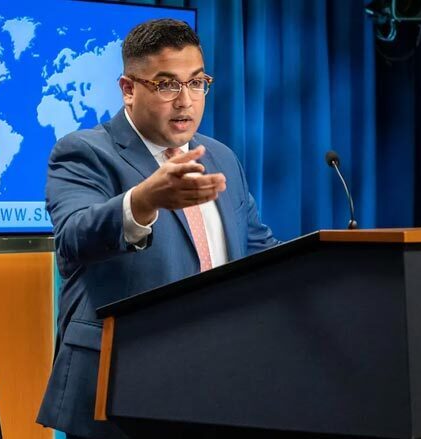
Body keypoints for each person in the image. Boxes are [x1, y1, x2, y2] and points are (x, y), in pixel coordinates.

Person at [36, 19, 280, 438]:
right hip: (119, 391)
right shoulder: (83, 151)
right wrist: (144, 200)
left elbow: (258, 250)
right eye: (167, 84)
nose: (186, 101)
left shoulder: (220, 157)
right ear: (128, 89)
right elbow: (75, 236)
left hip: (217, 383)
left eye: (197, 82)